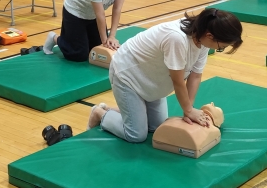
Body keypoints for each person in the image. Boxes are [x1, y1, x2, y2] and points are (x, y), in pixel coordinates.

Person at [89, 8, 243, 143]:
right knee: (136, 135)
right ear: (210, 35)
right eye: (221, 47)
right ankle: (100, 113)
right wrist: (189, 110)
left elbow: (195, 75)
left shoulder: (202, 37)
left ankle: (127, 109)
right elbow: (178, 81)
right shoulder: (177, 39)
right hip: (128, 76)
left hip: (152, 81)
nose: (220, 49)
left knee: (157, 127)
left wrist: (189, 110)